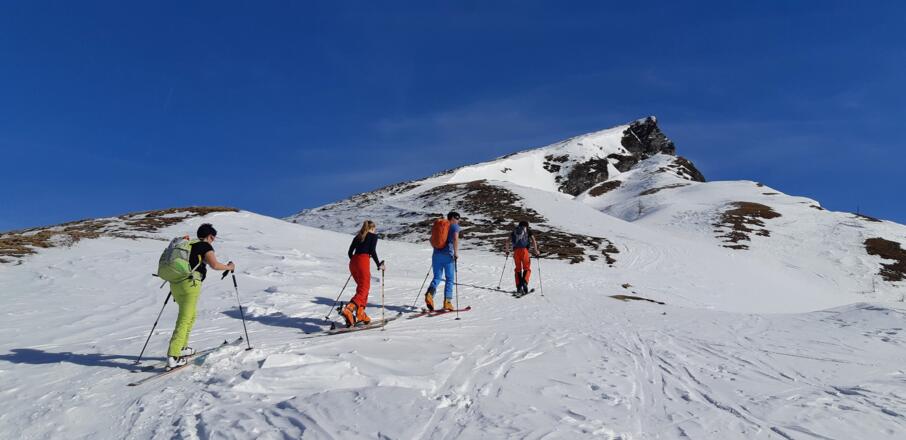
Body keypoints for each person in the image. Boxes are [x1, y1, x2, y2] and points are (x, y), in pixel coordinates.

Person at [167, 223, 234, 369]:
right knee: (185, 318)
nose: (213, 241)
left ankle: (182, 347)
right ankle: (173, 355)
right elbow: (214, 265)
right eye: (213, 238)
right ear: (210, 236)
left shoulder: (189, 245)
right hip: (190, 284)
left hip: (175, 284)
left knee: (190, 316)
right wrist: (229, 267)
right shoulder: (204, 246)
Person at [341, 220, 386, 327]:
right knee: (364, 288)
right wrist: (378, 264)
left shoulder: (357, 237)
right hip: (363, 261)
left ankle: (360, 314)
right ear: (372, 228)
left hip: (353, 263)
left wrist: (355, 261)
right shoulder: (373, 236)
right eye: (374, 229)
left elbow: (349, 252)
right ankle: (349, 308)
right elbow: (372, 251)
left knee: (362, 288)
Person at [425, 211, 461, 311]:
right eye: (457, 218)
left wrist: (438, 248)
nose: (458, 221)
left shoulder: (440, 225)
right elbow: (455, 238)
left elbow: (431, 240)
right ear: (453, 218)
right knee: (449, 279)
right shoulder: (454, 226)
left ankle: (429, 294)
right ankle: (447, 302)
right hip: (448, 256)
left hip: (436, 255)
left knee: (437, 277)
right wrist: (456, 253)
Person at [505, 221, 539, 294]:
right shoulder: (528, 231)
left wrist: (507, 251)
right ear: (526, 226)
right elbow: (533, 240)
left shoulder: (515, 231)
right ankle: (525, 282)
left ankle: (518, 287)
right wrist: (536, 250)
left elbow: (507, 241)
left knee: (518, 269)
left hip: (516, 252)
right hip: (524, 251)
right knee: (527, 268)